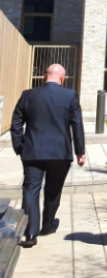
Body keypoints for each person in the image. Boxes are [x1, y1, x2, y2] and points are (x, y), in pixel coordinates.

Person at [10, 64, 86, 248]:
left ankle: (30, 234)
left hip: (33, 151)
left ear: (46, 76)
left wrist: (20, 146)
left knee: (30, 190)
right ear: (62, 78)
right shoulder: (69, 96)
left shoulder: (28, 95)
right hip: (60, 153)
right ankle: (48, 223)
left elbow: (16, 123)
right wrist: (80, 152)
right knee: (53, 189)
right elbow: (77, 125)